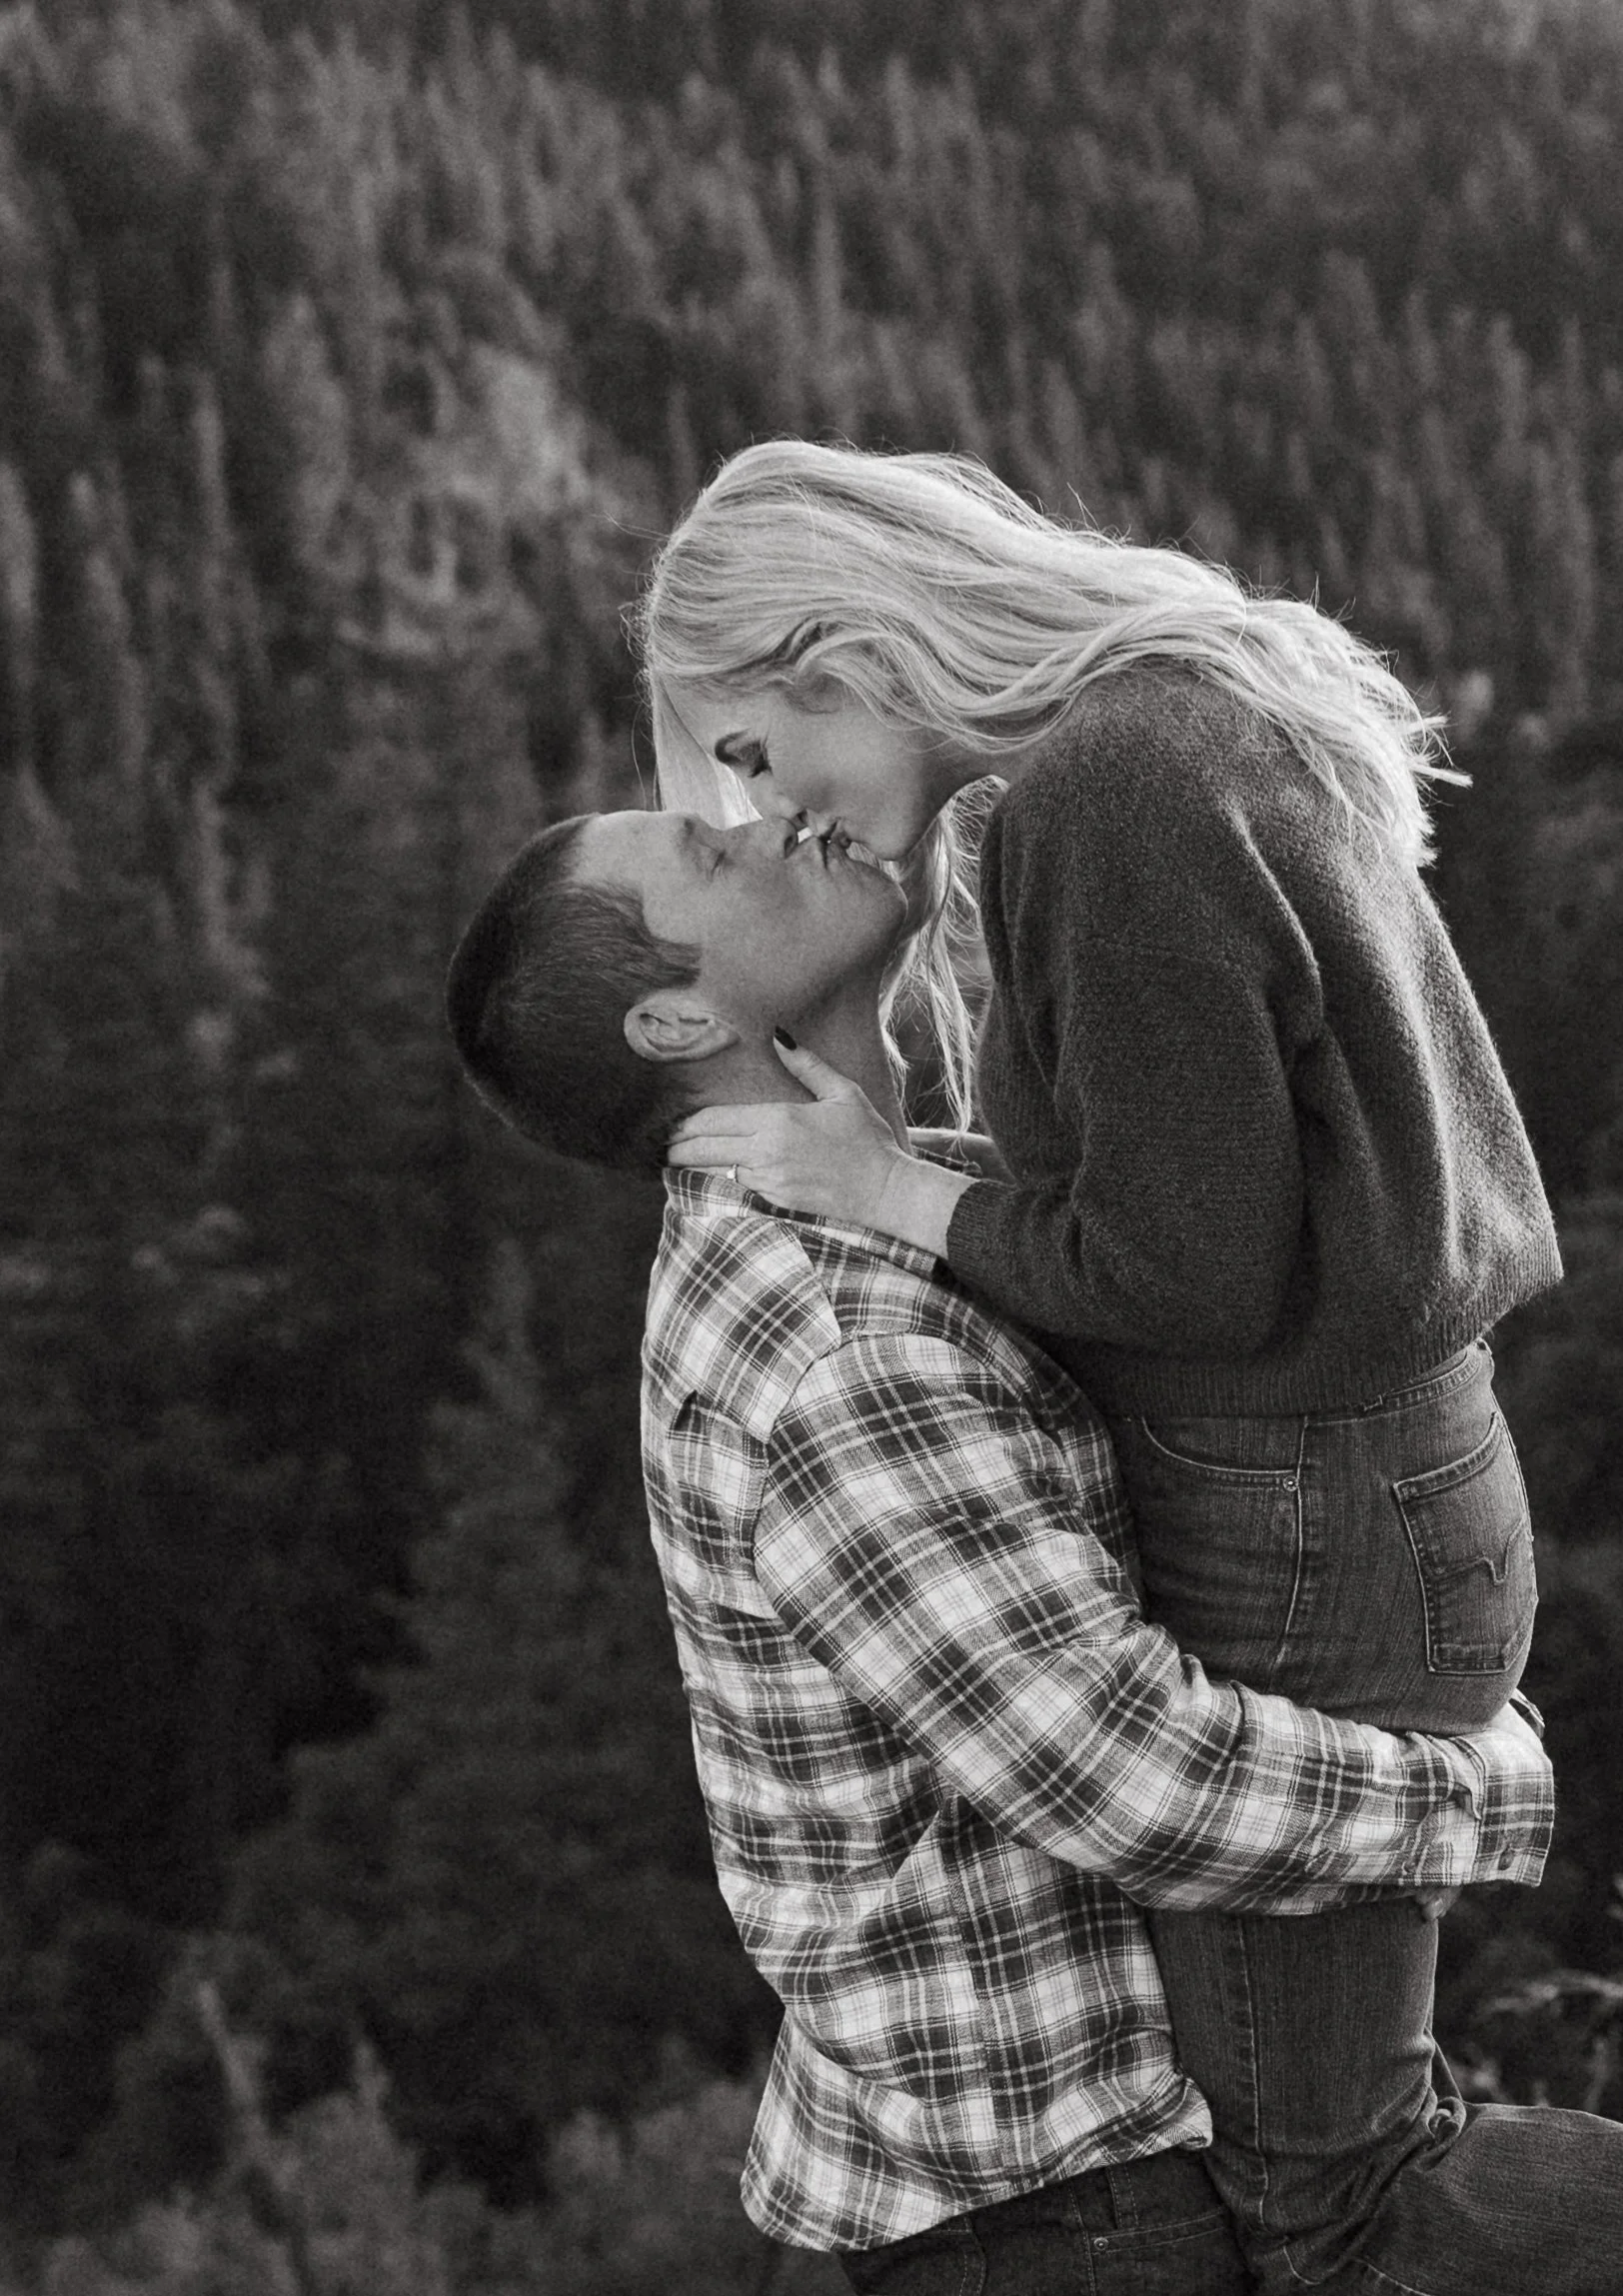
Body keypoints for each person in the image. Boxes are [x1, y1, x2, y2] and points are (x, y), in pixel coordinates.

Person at [443, 805, 1623, 2295]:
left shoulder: (887, 1212)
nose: (773, 823)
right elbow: (1126, 1778)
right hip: (1065, 2219)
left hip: (1067, 2183)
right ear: (676, 1016)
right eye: (717, 850)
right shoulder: (838, 1353)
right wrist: (1484, 1791)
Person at [635, 442, 1576, 2291]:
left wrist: (900, 1190)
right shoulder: (1170, 727)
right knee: (1346, 2172)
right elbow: (1202, 1190)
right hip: (1363, 1481)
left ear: (846, 657)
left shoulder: (1101, 795)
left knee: (1340, 2206)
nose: (775, 808)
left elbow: (1183, 1268)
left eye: (751, 749)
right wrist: (926, 1178)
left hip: (1302, 1511)